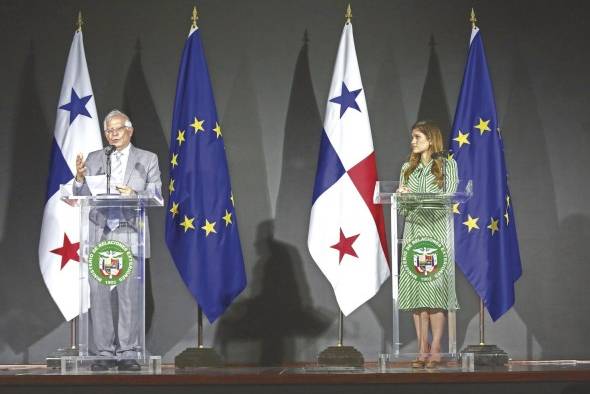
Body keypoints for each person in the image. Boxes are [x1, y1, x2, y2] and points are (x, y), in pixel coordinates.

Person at [74, 109, 162, 371]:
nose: (112, 135)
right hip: (99, 233)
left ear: (129, 130)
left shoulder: (146, 159)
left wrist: (136, 192)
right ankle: (102, 351)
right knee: (99, 295)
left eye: (117, 129)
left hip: (128, 232)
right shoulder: (94, 158)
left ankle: (127, 352)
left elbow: (156, 193)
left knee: (128, 297)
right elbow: (82, 194)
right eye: (108, 131)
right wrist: (79, 179)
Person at [397, 120, 458, 369]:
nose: (413, 142)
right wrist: (403, 197)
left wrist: (415, 198)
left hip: (436, 235)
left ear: (431, 140)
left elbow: (449, 196)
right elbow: (401, 207)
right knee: (416, 296)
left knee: (434, 294)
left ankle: (436, 349)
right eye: (412, 137)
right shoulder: (407, 169)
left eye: (417, 137)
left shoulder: (447, 165)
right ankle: (422, 347)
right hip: (413, 233)